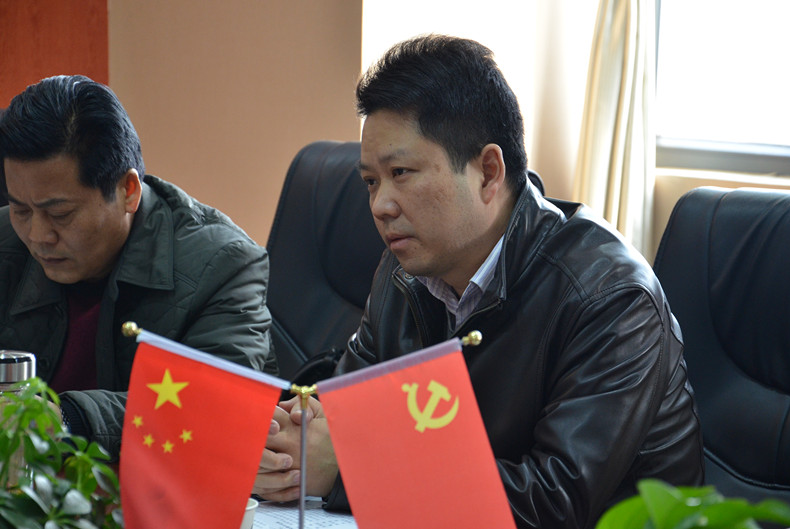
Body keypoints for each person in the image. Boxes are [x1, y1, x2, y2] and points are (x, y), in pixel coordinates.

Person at [254, 35, 703, 528]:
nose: (380, 206)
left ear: (489, 172)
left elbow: (553, 504)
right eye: (370, 182)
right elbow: (339, 416)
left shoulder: (610, 298)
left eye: (401, 172)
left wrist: (351, 471)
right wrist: (285, 449)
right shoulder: (404, 274)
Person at [0, 75, 276, 457]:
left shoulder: (224, 264)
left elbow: (218, 403)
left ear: (127, 191)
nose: (37, 235)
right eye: (20, 210)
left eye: (60, 214)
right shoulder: (7, 242)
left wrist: (63, 419)